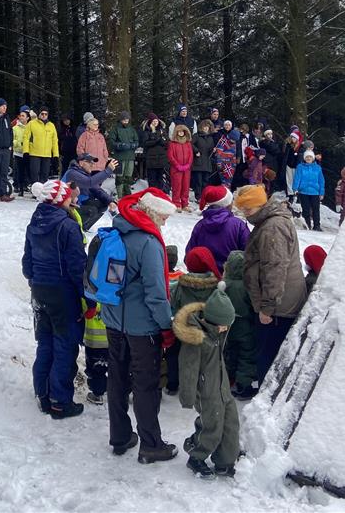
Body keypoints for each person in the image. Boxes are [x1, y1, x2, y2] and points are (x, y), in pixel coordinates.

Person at [98, 188, 179, 463]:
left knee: (117, 379)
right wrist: (166, 327)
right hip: (142, 328)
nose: (165, 222)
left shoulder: (117, 231)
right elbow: (156, 293)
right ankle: (151, 444)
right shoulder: (149, 243)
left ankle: (120, 437)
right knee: (146, 385)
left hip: (112, 321)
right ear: (152, 213)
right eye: (163, 217)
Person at [22, 179, 87, 419]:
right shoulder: (67, 226)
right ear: (61, 200)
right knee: (64, 344)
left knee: (45, 342)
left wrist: (34, 279)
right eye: (69, 197)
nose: (73, 200)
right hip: (62, 293)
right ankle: (60, 400)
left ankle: (43, 393)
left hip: (39, 290)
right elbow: (77, 267)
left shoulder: (34, 222)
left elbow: (27, 263)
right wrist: (87, 297)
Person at [232, 185, 307, 386]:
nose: (245, 214)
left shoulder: (273, 227)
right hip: (277, 302)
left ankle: (266, 401)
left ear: (259, 204)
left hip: (279, 306)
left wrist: (268, 307)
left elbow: (275, 268)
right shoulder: (267, 222)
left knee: (269, 355)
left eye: (248, 209)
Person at [173, 282, 239, 480]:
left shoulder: (217, 331)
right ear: (212, 321)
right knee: (212, 427)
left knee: (230, 424)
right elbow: (188, 369)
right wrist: (188, 396)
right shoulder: (197, 339)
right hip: (206, 391)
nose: (226, 328)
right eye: (224, 324)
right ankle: (196, 455)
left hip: (222, 386)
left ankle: (225, 460)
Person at [166, 247, 222, 396]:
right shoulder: (216, 287)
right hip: (206, 330)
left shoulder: (181, 285)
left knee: (174, 355)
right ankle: (203, 386)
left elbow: (171, 301)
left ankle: (172, 384)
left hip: (182, 329)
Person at [221, 250, 259, 400]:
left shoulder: (224, 284)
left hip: (228, 326)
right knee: (246, 355)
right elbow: (253, 305)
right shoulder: (248, 286)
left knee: (230, 353)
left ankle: (229, 379)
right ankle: (244, 385)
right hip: (245, 326)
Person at [186, 185, 250, 271]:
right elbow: (249, 252)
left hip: (206, 278)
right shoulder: (238, 225)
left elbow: (190, 254)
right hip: (231, 276)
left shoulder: (200, 226)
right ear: (227, 204)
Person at [62, 152, 118, 230]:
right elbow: (89, 182)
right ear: (81, 163)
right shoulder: (72, 173)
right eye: (89, 162)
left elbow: (97, 189)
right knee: (92, 210)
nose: (92, 165)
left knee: (102, 204)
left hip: (78, 203)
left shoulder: (83, 174)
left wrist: (110, 201)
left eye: (93, 163)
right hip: (65, 207)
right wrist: (108, 170)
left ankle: (84, 227)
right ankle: (74, 227)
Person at [107, 111, 138, 197]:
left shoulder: (132, 129)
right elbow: (112, 142)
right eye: (124, 119)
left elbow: (136, 140)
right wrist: (120, 145)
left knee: (128, 176)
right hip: (119, 157)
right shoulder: (115, 129)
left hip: (130, 156)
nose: (126, 121)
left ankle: (127, 194)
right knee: (119, 176)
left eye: (127, 119)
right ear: (121, 120)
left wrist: (134, 145)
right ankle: (120, 195)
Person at [24, 106, 58, 185]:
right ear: (39, 114)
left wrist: (55, 155)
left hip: (47, 154)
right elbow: (26, 138)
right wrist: (26, 151)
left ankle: (43, 192)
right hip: (34, 153)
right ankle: (35, 191)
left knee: (45, 175)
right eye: (42, 113)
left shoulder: (51, 125)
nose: (44, 115)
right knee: (34, 174)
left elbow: (54, 141)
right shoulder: (32, 123)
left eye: (46, 114)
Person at [292, 150, 325, 231]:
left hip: (315, 192)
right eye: (307, 157)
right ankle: (307, 224)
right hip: (303, 191)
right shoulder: (300, 167)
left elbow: (321, 180)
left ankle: (317, 225)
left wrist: (321, 192)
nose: (308, 158)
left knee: (316, 209)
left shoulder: (317, 168)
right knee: (305, 209)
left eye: (310, 157)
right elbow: (297, 178)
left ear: (313, 158)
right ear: (304, 158)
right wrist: (295, 188)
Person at [167, 124, 193, 212]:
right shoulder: (172, 143)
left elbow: (190, 156)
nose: (181, 133)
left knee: (185, 186)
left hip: (186, 169)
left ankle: (185, 204)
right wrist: (177, 165)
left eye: (182, 131)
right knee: (177, 186)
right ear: (176, 133)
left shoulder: (188, 143)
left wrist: (188, 165)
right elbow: (170, 156)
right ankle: (176, 203)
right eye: (179, 131)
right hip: (176, 169)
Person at [139, 113, 168, 190]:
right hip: (151, 159)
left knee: (160, 179)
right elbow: (146, 143)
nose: (155, 123)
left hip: (161, 158)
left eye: (156, 121)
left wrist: (158, 140)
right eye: (153, 121)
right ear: (150, 122)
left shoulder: (162, 130)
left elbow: (166, 142)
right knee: (152, 179)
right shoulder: (146, 131)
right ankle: (152, 194)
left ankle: (160, 194)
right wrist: (156, 139)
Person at [190, 120, 215, 203]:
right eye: (204, 126)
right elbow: (190, 144)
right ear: (201, 127)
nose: (206, 128)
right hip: (198, 162)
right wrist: (196, 151)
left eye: (207, 127)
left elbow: (210, 151)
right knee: (198, 181)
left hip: (207, 162)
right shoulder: (196, 136)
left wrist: (213, 150)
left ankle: (204, 197)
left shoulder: (210, 138)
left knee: (205, 181)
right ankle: (198, 197)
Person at [212, 120, 238, 186]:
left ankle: (228, 193)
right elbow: (219, 153)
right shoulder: (224, 142)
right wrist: (219, 163)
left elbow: (234, 155)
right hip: (223, 164)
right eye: (232, 139)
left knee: (229, 182)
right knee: (224, 181)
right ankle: (224, 193)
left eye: (235, 140)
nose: (233, 141)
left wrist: (234, 164)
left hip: (231, 165)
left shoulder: (234, 143)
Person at [11, 106, 30, 195]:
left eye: (24, 115)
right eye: (20, 115)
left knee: (26, 170)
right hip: (18, 152)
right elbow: (12, 139)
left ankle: (25, 185)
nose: (21, 117)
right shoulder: (15, 127)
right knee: (18, 170)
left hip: (28, 152)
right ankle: (17, 186)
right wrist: (19, 143)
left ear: (27, 117)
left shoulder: (30, 127)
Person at [283, 130, 302, 199]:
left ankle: (296, 194)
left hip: (296, 166)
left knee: (295, 180)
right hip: (289, 165)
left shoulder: (300, 147)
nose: (292, 139)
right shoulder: (289, 146)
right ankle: (290, 194)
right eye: (292, 138)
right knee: (289, 180)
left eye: (294, 138)